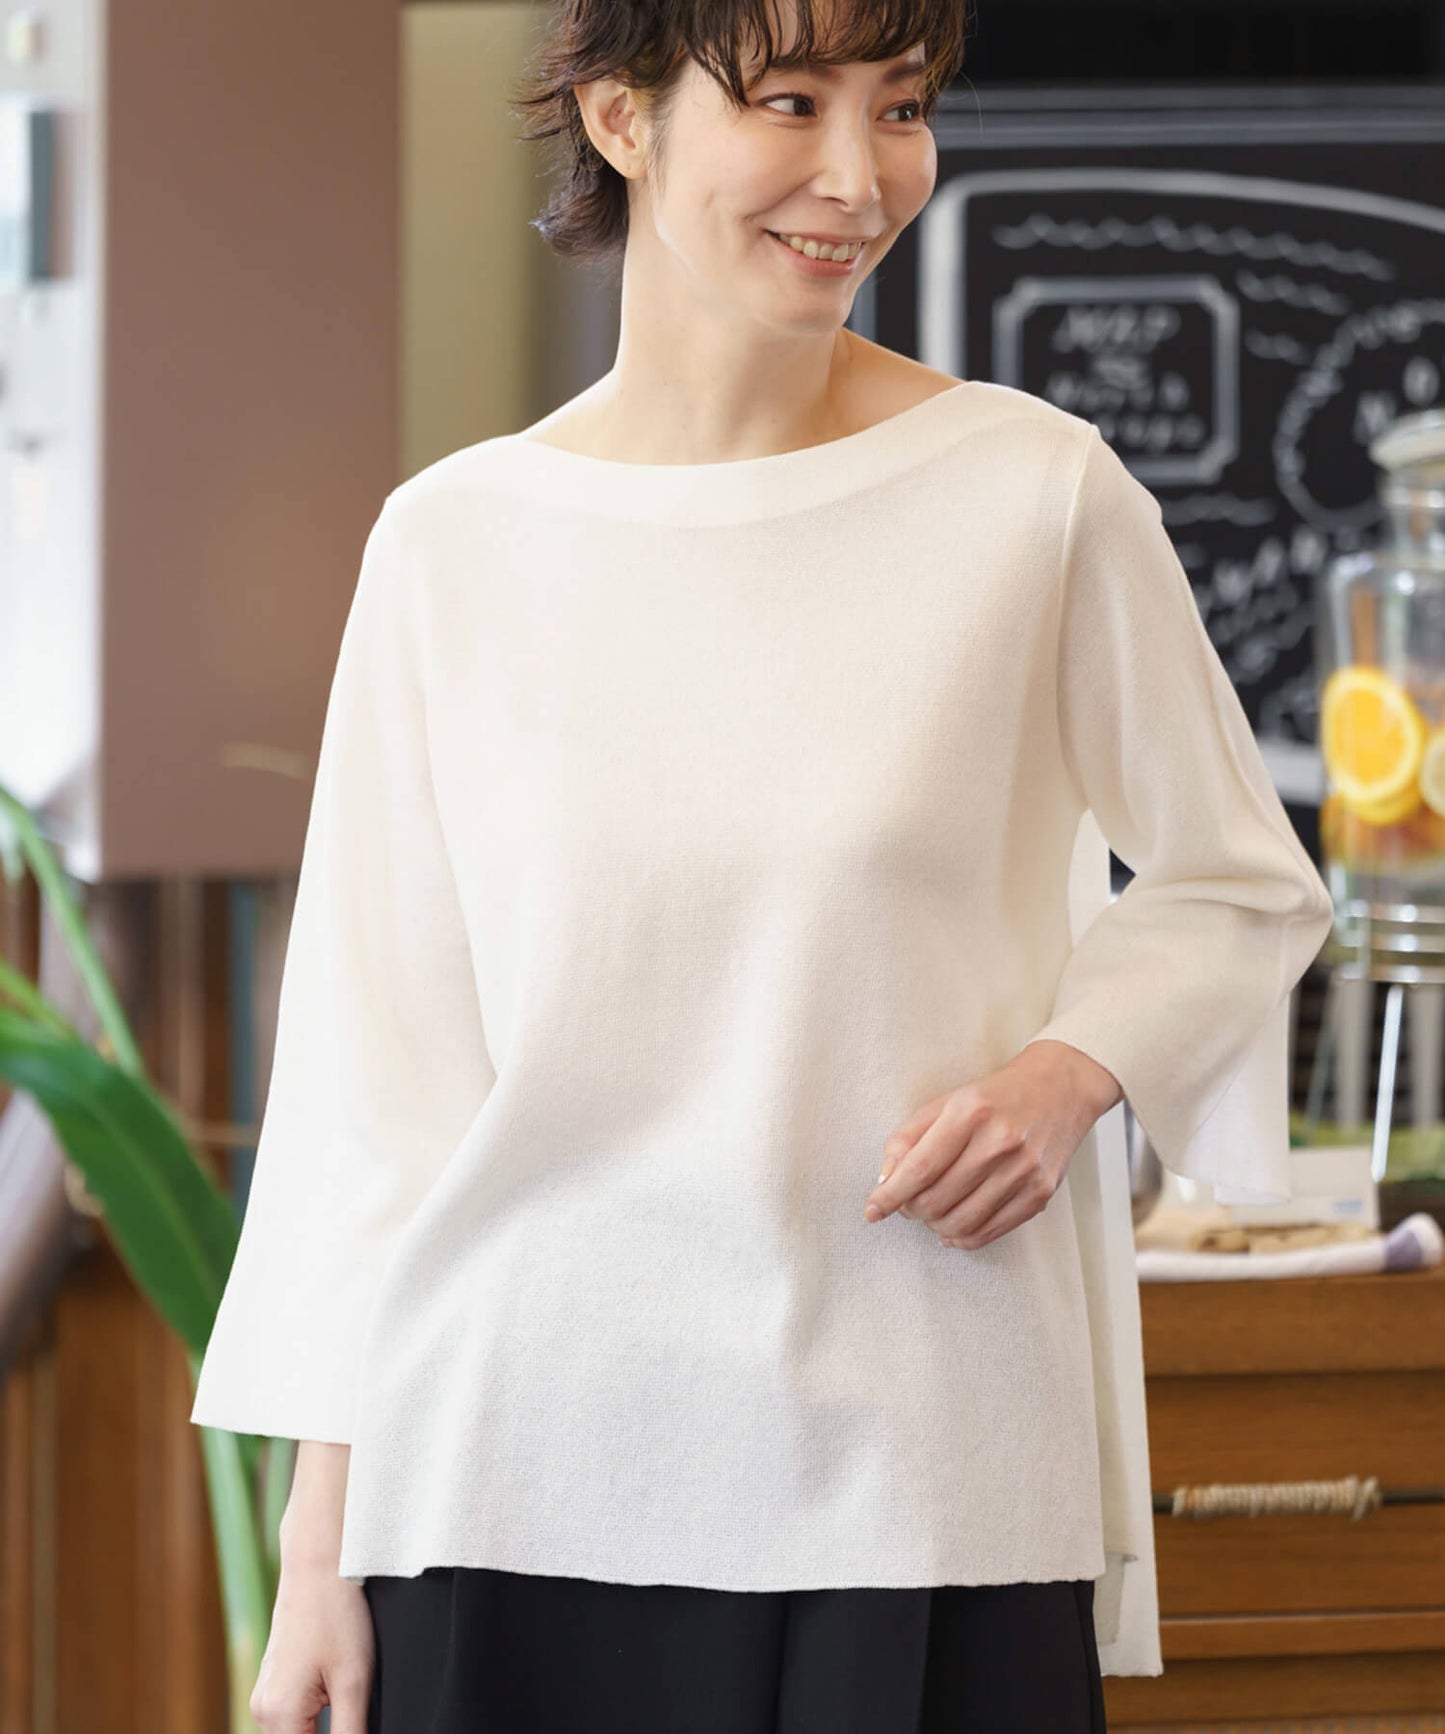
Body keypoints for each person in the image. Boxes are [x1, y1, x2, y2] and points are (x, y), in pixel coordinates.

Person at [188, 0, 1337, 1729]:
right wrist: (315, 1554)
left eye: (901, 106)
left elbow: (1237, 880)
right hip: (507, 1488)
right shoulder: (453, 547)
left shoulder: (1034, 497)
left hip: (918, 1468)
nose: (858, 177)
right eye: (790, 103)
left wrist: (1063, 1075)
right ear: (621, 117)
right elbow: (378, 1094)